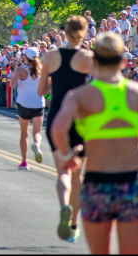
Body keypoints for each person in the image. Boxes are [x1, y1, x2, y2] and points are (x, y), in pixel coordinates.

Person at [50, 31, 138, 255]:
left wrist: (68, 155)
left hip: (97, 184)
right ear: (124, 62)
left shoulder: (79, 96)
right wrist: (132, 133)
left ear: (93, 61)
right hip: (132, 183)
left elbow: (57, 129)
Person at [37, 15, 93, 243]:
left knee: (63, 171)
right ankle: (73, 224)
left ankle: (64, 207)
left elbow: (42, 90)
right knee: (79, 175)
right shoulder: (87, 57)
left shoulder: (50, 56)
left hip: (58, 116)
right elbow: (100, 85)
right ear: (84, 32)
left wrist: (57, 81)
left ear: (64, 32)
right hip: (80, 119)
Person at [10, 47, 45, 170]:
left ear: (25, 57)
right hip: (38, 103)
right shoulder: (41, 69)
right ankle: (36, 145)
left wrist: (14, 78)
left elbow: (12, 85)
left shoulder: (21, 69)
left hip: (24, 103)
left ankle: (24, 162)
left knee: (24, 133)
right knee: (37, 133)